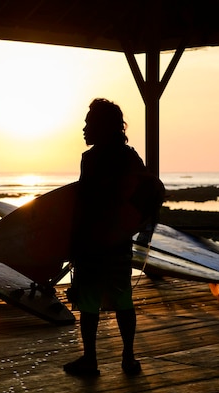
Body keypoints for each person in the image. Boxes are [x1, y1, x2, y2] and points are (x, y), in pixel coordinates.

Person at [64, 98, 147, 377]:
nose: (84, 128)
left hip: (92, 242)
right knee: (123, 299)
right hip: (119, 241)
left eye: (89, 123)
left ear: (102, 126)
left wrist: (73, 243)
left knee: (88, 303)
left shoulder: (92, 158)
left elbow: (83, 203)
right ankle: (128, 358)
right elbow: (146, 196)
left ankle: (90, 359)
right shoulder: (130, 157)